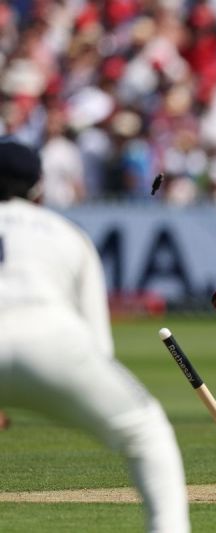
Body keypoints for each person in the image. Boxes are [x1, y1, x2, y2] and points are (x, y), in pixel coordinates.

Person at [0, 139, 190, 532]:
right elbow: (99, 347)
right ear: (38, 187)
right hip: (52, 339)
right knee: (147, 433)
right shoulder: (67, 233)